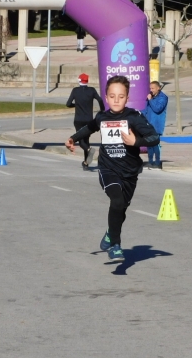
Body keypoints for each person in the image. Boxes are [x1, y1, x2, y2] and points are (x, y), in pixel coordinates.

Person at [65, 75, 160, 262]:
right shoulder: (102, 117)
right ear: (106, 98)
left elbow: (154, 137)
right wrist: (73, 138)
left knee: (121, 209)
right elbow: (89, 128)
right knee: (116, 201)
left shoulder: (134, 117)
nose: (116, 100)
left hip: (130, 172)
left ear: (127, 97)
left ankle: (110, 234)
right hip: (108, 168)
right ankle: (116, 245)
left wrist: (136, 142)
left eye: (121, 96)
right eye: (112, 96)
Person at [66, 73, 104, 170]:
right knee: (86, 140)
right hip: (88, 120)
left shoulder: (75, 90)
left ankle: (88, 150)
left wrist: (76, 105)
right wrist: (102, 110)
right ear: (87, 81)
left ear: (79, 81)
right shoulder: (92, 90)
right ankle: (86, 163)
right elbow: (100, 100)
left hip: (78, 120)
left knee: (81, 141)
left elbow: (68, 104)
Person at [143, 81, 168, 169]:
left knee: (155, 144)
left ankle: (157, 162)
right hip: (149, 124)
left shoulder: (163, 98)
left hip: (156, 125)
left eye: (153, 88)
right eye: (150, 88)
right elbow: (146, 110)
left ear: (158, 88)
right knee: (149, 144)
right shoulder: (152, 97)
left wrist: (150, 100)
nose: (151, 90)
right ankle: (150, 161)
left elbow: (157, 109)